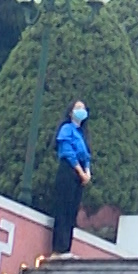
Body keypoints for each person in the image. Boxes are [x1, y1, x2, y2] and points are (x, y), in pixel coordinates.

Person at [51, 101, 91, 256]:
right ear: (70, 112)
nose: (81, 111)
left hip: (79, 173)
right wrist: (80, 171)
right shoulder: (67, 129)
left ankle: (67, 248)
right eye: (78, 108)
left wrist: (87, 172)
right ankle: (58, 248)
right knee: (63, 208)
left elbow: (86, 155)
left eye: (83, 108)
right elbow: (68, 152)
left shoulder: (82, 134)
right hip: (68, 170)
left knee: (72, 211)